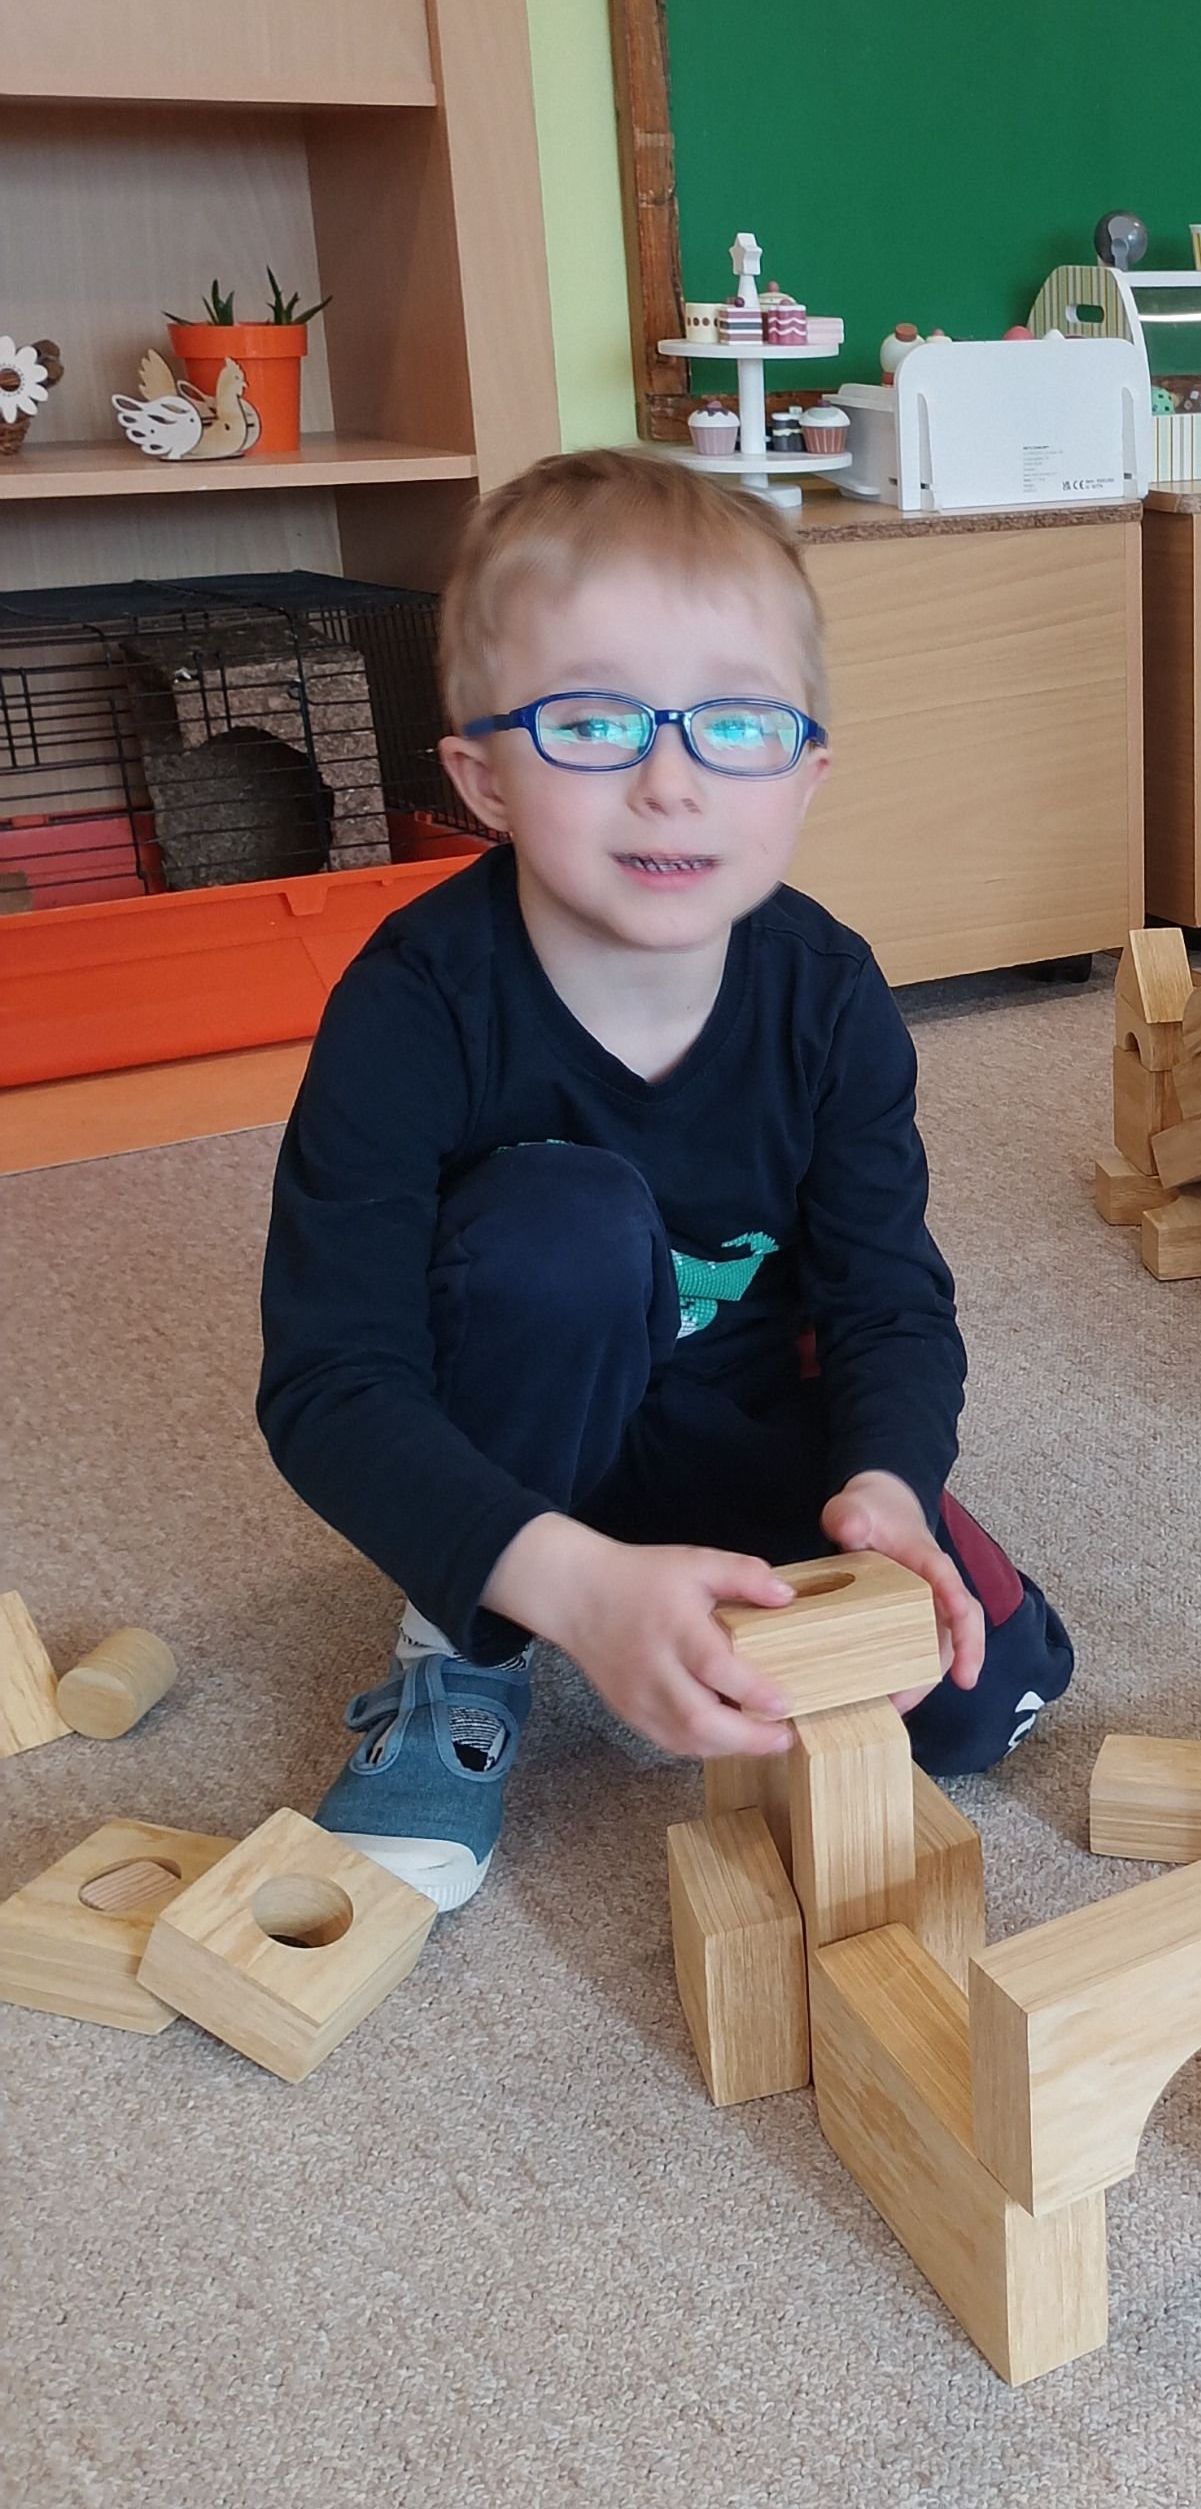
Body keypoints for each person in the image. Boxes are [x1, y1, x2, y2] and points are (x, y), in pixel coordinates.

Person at [257, 450, 1072, 1912]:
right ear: (483, 779)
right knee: (565, 1225)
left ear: (807, 775)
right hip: (515, 1410)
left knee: (984, 1702)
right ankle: (462, 1647)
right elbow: (330, 1382)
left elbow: (887, 1297)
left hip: (733, 1414)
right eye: (591, 721)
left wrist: (889, 1484)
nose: (671, 780)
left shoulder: (828, 993)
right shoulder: (411, 1003)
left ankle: (739, 1546)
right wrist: (556, 1580)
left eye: (737, 722)